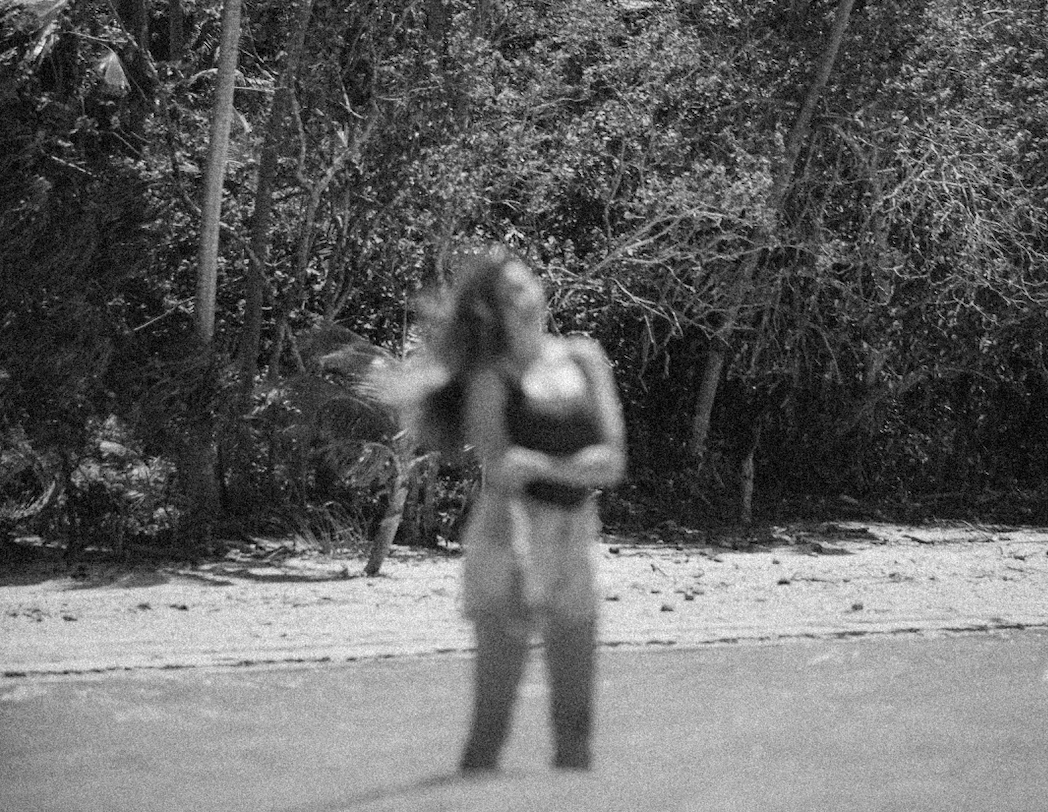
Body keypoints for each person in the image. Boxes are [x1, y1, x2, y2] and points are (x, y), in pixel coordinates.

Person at [377, 246, 626, 772]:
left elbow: (612, 462)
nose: (522, 299)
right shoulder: (491, 377)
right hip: (507, 537)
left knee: (577, 725)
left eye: (524, 285)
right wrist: (566, 465)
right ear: (492, 310)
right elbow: (503, 467)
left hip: (573, 538)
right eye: (506, 294)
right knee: (491, 723)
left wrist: (540, 463)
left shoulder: (584, 357)